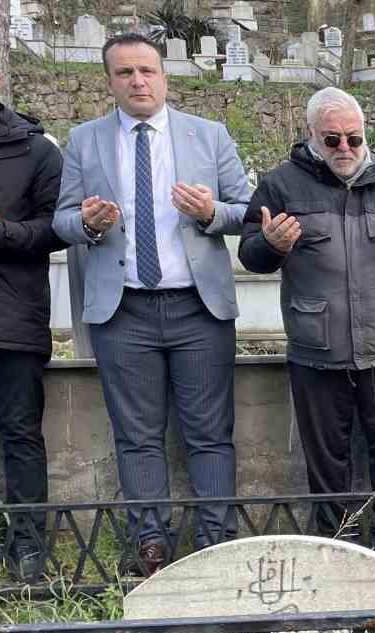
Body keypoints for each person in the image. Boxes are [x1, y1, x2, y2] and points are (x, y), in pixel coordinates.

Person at [53, 33, 251, 575]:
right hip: (124, 310)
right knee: (136, 435)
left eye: (147, 71)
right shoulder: (85, 140)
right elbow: (62, 221)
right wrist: (89, 226)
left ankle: (216, 542)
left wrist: (212, 211)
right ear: (109, 81)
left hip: (198, 307)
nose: (138, 81)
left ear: (164, 75)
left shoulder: (207, 136)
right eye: (125, 73)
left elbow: (247, 209)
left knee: (209, 432)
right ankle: (151, 544)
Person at [238, 87, 375, 563]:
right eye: (332, 140)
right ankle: (335, 544)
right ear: (311, 136)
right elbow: (251, 255)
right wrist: (271, 243)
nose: (345, 149)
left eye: (354, 137)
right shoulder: (281, 184)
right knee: (326, 458)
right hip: (317, 346)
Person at [0, 34, 65, 583]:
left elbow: (60, 228)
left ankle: (29, 547)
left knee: (20, 435)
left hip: (11, 320)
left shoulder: (34, 149)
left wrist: (4, 233)